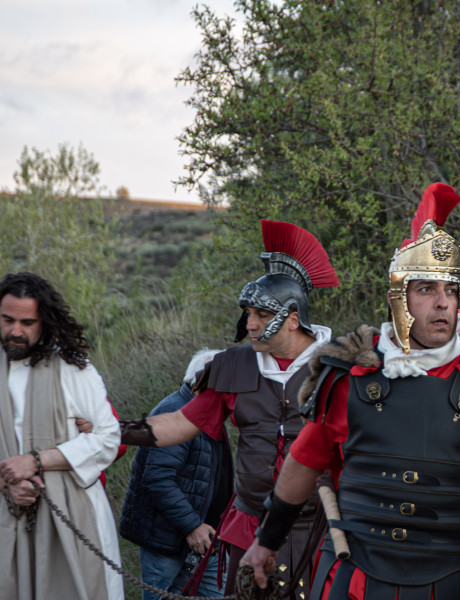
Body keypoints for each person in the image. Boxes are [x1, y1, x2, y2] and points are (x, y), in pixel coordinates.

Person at [239, 182, 460, 600]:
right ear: (399, 298)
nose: (443, 303)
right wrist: (265, 541)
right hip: (357, 577)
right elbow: (304, 462)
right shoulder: (349, 375)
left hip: (454, 580)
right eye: (427, 289)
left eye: (451, 290)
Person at [121, 220, 339, 598]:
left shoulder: (341, 368)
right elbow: (179, 424)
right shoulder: (233, 366)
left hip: (319, 529)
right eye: (247, 314)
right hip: (249, 527)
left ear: (291, 318)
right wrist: (114, 430)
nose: (249, 325)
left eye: (260, 315)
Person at [0, 272, 124, 600]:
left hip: (69, 514)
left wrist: (36, 461)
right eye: (7, 319)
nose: (15, 331)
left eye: (27, 322)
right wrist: (7, 480)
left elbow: (107, 437)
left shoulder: (73, 369)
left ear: (45, 322)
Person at [119, 348, 234, 600]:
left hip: (207, 542)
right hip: (170, 542)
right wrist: (192, 526)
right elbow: (158, 478)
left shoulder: (211, 416)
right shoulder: (174, 412)